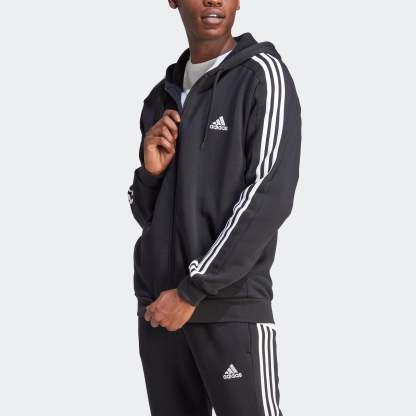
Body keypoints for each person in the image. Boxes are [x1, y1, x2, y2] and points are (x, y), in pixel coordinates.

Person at [128, 1, 302, 415]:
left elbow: (269, 194)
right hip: (160, 315)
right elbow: (149, 218)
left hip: (229, 310)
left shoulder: (262, 76)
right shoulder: (160, 98)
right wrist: (150, 174)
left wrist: (194, 289)